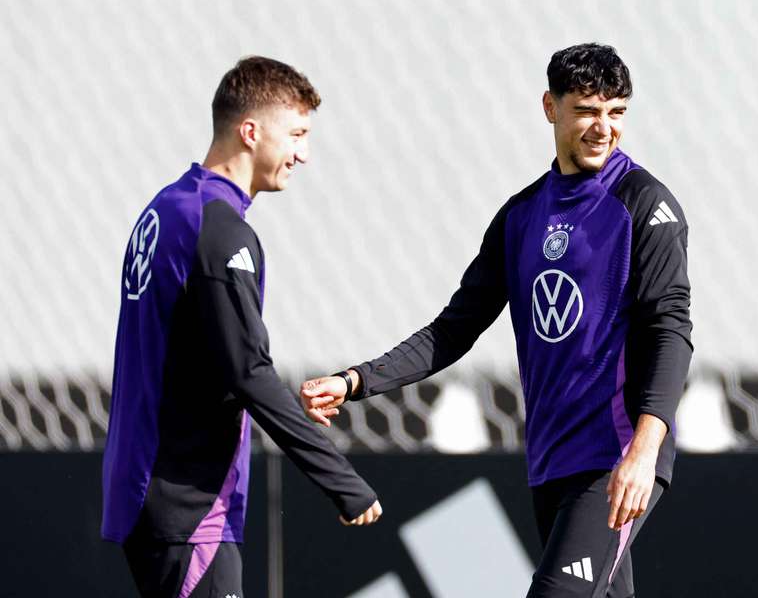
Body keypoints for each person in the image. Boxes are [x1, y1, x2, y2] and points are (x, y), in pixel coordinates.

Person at [302, 43, 692, 597]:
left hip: (616, 456)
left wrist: (645, 450)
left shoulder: (645, 205)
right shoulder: (520, 216)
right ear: (549, 108)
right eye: (587, 110)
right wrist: (355, 381)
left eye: (617, 113)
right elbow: (453, 328)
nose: (604, 128)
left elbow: (671, 330)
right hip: (551, 460)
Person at [102, 56, 382, 598]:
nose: (304, 153)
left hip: (147, 485)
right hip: (188, 503)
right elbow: (248, 370)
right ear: (250, 132)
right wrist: (340, 480)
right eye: (296, 134)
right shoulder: (221, 231)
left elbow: (197, 353)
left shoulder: (168, 207)